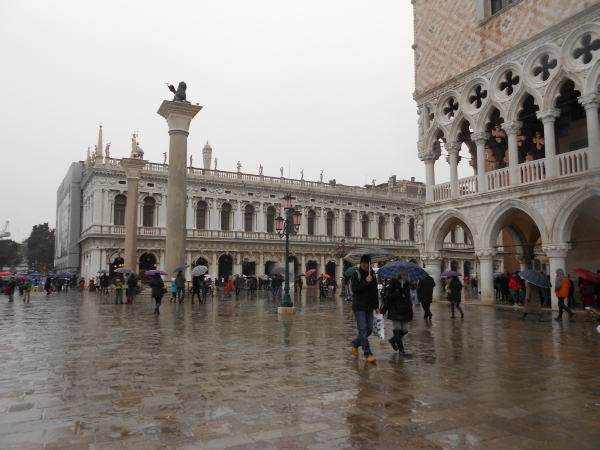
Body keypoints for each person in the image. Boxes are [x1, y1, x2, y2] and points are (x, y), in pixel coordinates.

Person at [350, 255, 380, 363]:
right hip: (359, 307)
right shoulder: (356, 274)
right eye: (362, 262)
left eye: (366, 262)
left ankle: (355, 343)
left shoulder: (372, 274)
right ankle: (368, 353)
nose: (363, 264)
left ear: (369, 264)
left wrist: (376, 306)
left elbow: (374, 292)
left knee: (369, 330)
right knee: (363, 330)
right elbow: (355, 289)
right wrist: (366, 281)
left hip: (369, 306)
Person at [380, 267, 413, 356]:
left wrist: (410, 311)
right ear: (399, 275)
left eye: (406, 274)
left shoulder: (407, 284)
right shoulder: (393, 283)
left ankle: (392, 340)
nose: (405, 276)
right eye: (403, 274)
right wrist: (397, 293)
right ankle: (401, 349)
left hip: (405, 310)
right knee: (397, 330)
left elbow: (408, 299)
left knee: (405, 330)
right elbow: (388, 296)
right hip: (395, 309)